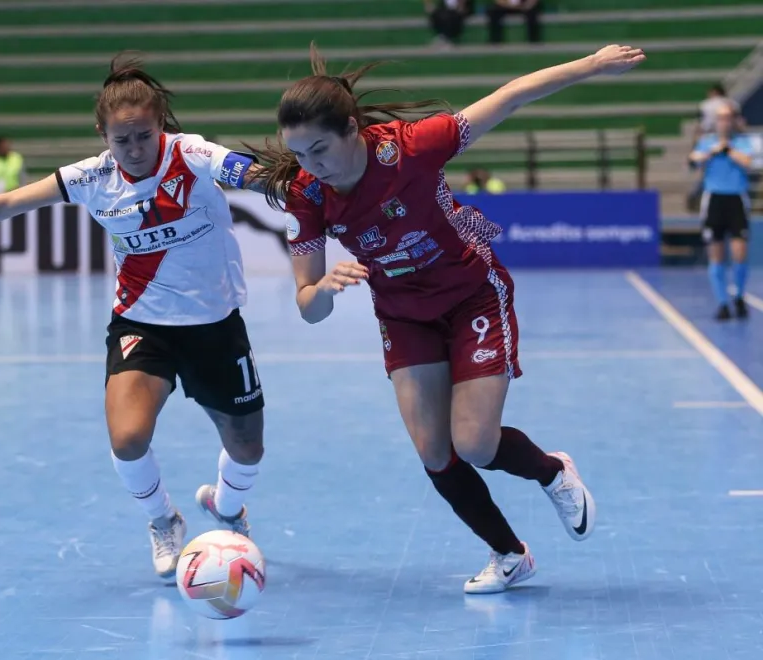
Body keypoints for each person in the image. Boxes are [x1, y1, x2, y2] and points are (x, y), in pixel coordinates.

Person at [250, 43, 645, 594]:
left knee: (477, 444)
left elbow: (510, 97)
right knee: (435, 451)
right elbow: (307, 306)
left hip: (470, 296)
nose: (312, 166)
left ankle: (551, 470)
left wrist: (591, 66)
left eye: (319, 149)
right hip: (403, 315)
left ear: (352, 128)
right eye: (301, 154)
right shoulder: (306, 193)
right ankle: (511, 556)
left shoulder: (413, 148)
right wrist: (325, 288)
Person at [0, 55, 274, 581]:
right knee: (127, 437)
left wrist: (301, 186)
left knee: (247, 447)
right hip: (143, 324)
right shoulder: (90, 178)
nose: (135, 149)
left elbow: (251, 174)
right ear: (103, 134)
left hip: (214, 324)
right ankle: (163, 519)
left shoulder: (192, 154)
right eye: (123, 139)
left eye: (145, 136)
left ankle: (227, 511)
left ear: (162, 126)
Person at [689, 103, 755, 320]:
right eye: (720, 118)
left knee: (739, 252)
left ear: (734, 120)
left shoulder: (742, 142)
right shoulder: (707, 142)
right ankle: (722, 303)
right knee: (716, 254)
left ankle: (739, 296)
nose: (724, 122)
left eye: (728, 118)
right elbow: (694, 160)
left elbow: (748, 162)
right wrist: (710, 152)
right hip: (715, 200)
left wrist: (728, 149)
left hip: (736, 199)